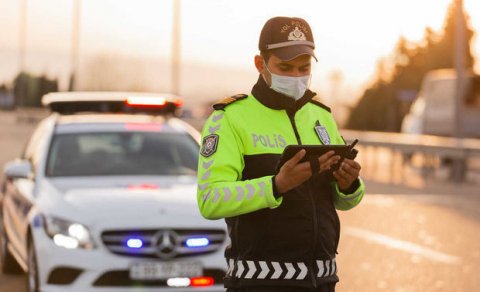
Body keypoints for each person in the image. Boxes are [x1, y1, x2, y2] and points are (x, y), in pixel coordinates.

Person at [197, 16, 365, 291]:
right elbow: (210, 200)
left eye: (304, 67)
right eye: (285, 67)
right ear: (260, 64)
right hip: (259, 282)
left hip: (322, 280)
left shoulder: (320, 116)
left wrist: (349, 185)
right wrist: (276, 186)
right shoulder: (229, 118)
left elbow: (344, 202)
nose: (296, 76)